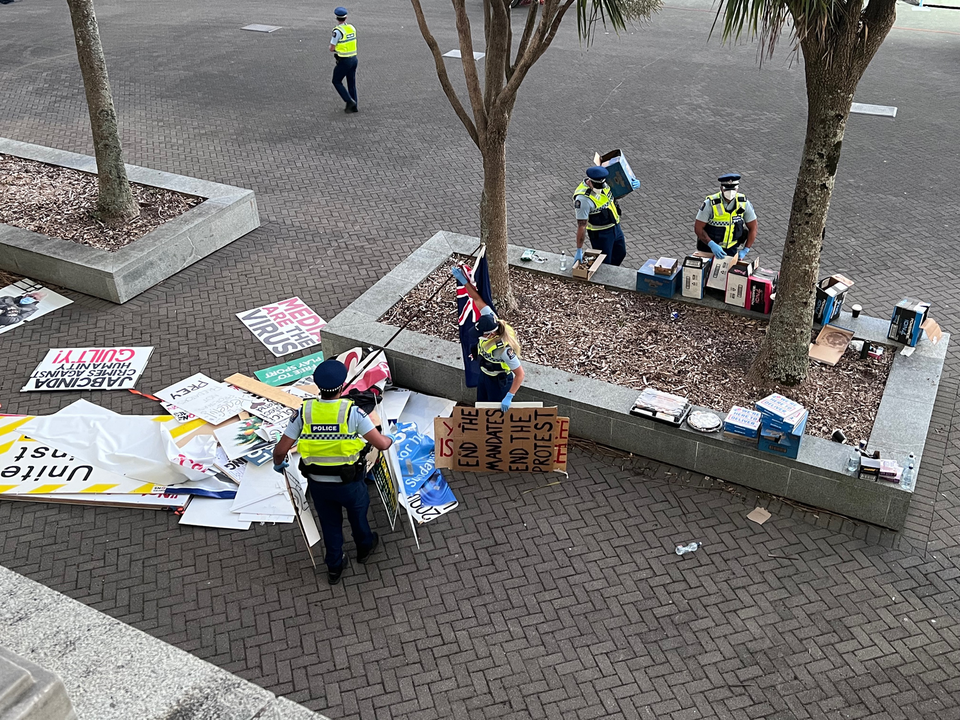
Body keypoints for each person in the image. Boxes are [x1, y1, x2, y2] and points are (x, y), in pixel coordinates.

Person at [272, 359, 395, 585]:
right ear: (342, 386)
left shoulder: (304, 412)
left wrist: (279, 465)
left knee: (330, 524)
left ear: (318, 386)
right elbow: (381, 444)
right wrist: (390, 437)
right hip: (349, 483)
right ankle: (364, 547)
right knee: (358, 516)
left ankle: (334, 567)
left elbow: (280, 450)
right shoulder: (353, 413)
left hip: (319, 485)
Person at [451, 266, 525, 412]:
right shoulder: (490, 317)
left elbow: (520, 374)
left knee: (495, 413)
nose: (479, 336)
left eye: (481, 334)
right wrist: (464, 282)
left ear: (490, 334)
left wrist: (509, 396)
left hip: (499, 382)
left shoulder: (504, 349)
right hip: (485, 375)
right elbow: (476, 298)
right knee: (482, 406)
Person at [694, 173, 758, 260]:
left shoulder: (743, 203)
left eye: (733, 189)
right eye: (727, 190)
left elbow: (753, 228)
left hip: (731, 249)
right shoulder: (710, 204)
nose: (730, 193)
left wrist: (746, 249)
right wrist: (711, 244)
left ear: (737, 189)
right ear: (721, 188)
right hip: (708, 248)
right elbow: (698, 228)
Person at [573, 166, 626, 267]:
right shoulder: (583, 199)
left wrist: (629, 188)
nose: (601, 189)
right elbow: (581, 225)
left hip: (615, 227)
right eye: (598, 186)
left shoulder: (604, 185)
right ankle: (605, 280)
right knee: (605, 263)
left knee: (620, 253)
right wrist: (579, 249)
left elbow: (613, 197)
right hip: (601, 234)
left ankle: (612, 274)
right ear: (590, 181)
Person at [330, 7, 359, 113]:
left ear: (337, 18)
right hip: (354, 59)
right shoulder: (352, 28)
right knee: (351, 83)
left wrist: (336, 49)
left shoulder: (337, 31)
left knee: (336, 81)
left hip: (344, 60)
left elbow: (332, 48)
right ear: (346, 17)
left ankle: (349, 101)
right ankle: (354, 105)